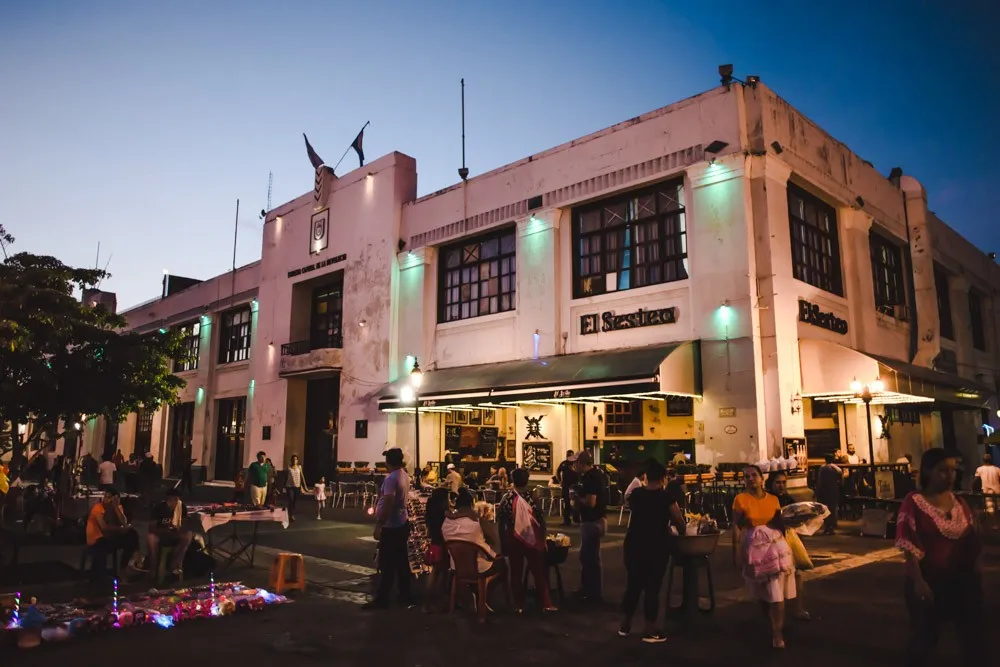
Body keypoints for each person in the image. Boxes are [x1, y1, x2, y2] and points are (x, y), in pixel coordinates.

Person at [896, 448, 984, 665]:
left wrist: (976, 574)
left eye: (953, 470)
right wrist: (918, 581)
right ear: (927, 471)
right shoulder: (914, 501)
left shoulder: (960, 503)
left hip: (961, 580)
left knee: (974, 638)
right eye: (943, 470)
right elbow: (909, 544)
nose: (950, 475)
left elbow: (970, 543)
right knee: (925, 638)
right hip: (929, 580)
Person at [619, 459, 682, 643]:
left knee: (633, 585)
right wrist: (680, 529)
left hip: (633, 545)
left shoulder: (637, 494)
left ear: (646, 477)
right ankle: (649, 630)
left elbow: (632, 504)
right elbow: (678, 519)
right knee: (652, 588)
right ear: (663, 478)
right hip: (657, 546)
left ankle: (625, 625)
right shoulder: (666, 497)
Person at [733, 465, 796, 650]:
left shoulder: (774, 499)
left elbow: (780, 524)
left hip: (775, 548)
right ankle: (771, 622)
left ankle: (778, 633)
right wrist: (736, 552)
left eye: (754, 475)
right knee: (763, 592)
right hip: (754, 548)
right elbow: (737, 526)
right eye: (746, 476)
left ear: (761, 478)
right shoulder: (740, 499)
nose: (751, 479)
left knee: (777, 591)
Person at [497, 467, 557, 613]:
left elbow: (501, 522)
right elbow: (541, 521)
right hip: (532, 536)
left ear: (512, 480)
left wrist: (502, 542)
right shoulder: (532, 498)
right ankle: (546, 603)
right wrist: (542, 540)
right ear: (527, 480)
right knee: (538, 571)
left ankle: (518, 605)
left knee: (516, 571)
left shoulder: (507, 498)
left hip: (513, 537)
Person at [365, 447, 414, 610]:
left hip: (392, 525)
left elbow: (388, 501)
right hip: (402, 522)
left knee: (387, 563)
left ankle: (383, 598)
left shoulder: (392, 478)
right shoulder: (405, 476)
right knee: (401, 560)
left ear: (389, 462)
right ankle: (404, 592)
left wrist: (380, 524)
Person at [766, 471, 812, 621]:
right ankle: (775, 612)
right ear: (770, 484)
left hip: (789, 537)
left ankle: (798, 608)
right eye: (778, 483)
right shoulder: (768, 499)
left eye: (784, 482)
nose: (781, 486)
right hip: (772, 540)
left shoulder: (788, 499)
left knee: (797, 573)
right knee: (775, 577)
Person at [573, 450, 608, 602]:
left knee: (590, 558)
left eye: (575, 463)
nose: (574, 465)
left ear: (581, 463)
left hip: (593, 521)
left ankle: (593, 594)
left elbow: (591, 502)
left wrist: (576, 498)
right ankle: (587, 589)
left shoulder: (591, 478)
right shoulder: (594, 475)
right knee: (587, 557)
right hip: (596, 520)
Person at [86, 487, 140, 580]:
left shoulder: (118, 507)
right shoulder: (98, 508)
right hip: (97, 540)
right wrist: (120, 529)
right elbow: (104, 528)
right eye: (105, 497)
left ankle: (126, 565)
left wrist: (116, 508)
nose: (106, 499)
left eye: (109, 498)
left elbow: (124, 523)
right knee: (102, 545)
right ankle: (101, 578)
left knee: (132, 534)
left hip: (111, 538)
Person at [147, 488, 192, 578]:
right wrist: (165, 530)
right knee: (151, 538)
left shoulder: (182, 507)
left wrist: (180, 528)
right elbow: (152, 528)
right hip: (160, 534)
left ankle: (174, 565)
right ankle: (153, 568)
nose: (173, 503)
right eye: (171, 500)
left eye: (176, 500)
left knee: (188, 536)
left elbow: (185, 525)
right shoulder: (158, 508)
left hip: (174, 534)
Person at [423, 487, 451, 612]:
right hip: (443, 543)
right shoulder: (443, 513)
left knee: (435, 572)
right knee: (441, 571)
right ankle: (436, 602)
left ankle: (430, 602)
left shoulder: (431, 510)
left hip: (435, 542)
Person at [814, 454, 842, 535]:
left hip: (824, 490)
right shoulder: (836, 468)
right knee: (833, 509)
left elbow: (819, 480)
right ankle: (832, 527)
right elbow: (841, 478)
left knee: (824, 509)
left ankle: (827, 527)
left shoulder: (822, 468)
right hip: (833, 490)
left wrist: (817, 491)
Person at [557, 450, 579, 526]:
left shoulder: (576, 463)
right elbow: (558, 471)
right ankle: (566, 520)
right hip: (565, 486)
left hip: (575, 486)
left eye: (570, 455)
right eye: (568, 455)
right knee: (566, 503)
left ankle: (577, 520)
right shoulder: (564, 463)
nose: (569, 456)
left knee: (576, 503)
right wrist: (560, 480)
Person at [284, 455, 307, 522]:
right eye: (293, 459)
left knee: (294, 501)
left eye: (296, 459)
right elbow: (285, 476)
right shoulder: (288, 468)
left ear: (297, 460)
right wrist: (283, 486)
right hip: (289, 486)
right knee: (291, 500)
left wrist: (305, 486)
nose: (294, 460)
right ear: (291, 460)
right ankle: (290, 515)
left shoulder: (299, 467)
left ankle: (290, 512)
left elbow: (302, 477)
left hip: (297, 486)